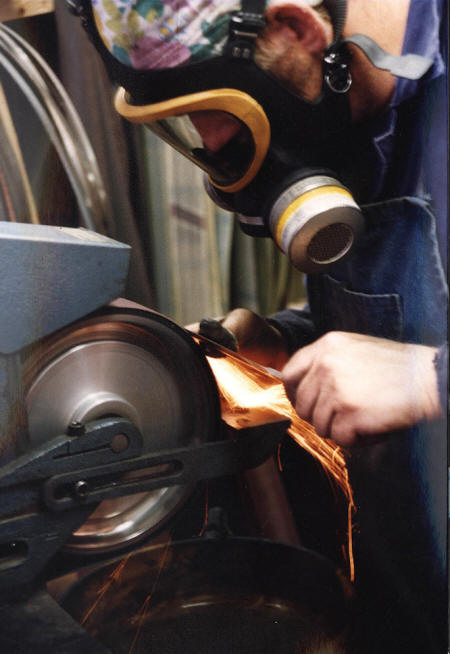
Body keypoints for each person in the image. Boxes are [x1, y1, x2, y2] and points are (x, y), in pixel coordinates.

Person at [69, 1, 447, 652]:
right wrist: (288, 339)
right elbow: (407, 318)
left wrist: (430, 378)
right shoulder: (346, 109)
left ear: (297, 28)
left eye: (216, 110)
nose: (211, 142)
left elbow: (415, 365)